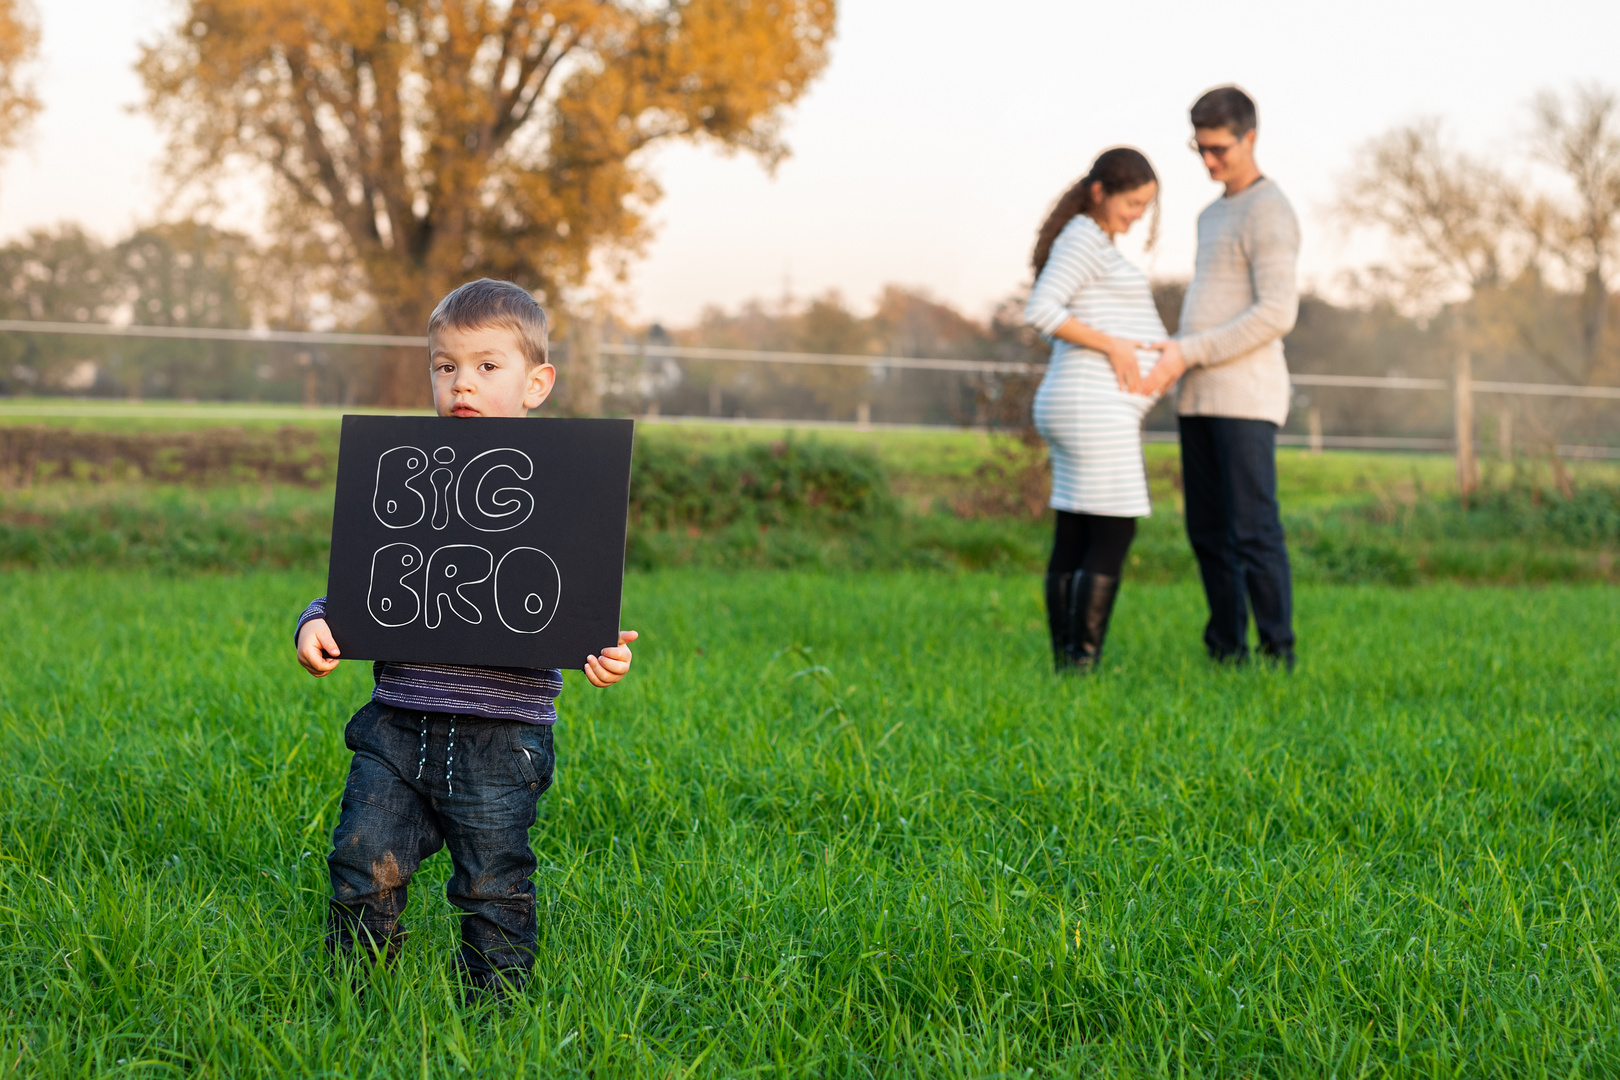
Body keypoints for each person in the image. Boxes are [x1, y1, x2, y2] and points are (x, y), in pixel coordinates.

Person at [293, 278, 638, 999]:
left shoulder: (560, 485)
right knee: (362, 861)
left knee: (493, 884)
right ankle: (356, 992)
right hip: (397, 725)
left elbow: (570, 603)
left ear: (536, 383)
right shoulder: (409, 471)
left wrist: (603, 651)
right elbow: (372, 570)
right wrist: (317, 621)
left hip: (501, 736)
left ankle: (496, 1007)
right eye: (445, 367)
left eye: (487, 366)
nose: (462, 386)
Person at [1141, 86, 1300, 668]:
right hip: (1198, 397)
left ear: (1249, 138)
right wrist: (1174, 357)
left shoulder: (1270, 210)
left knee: (1253, 530)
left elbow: (1278, 311)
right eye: (1199, 148)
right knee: (1207, 532)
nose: (1209, 161)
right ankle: (1226, 652)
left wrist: (1191, 349)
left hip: (1246, 399)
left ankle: (1277, 652)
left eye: (1219, 149)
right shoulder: (1211, 215)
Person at [1024, 147, 1167, 672]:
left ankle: (1068, 664)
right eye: (1131, 203)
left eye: (1145, 207)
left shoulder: (1090, 239)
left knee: (1078, 530)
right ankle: (1080, 664)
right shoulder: (1084, 238)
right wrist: (1114, 345)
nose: (1137, 216)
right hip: (1090, 404)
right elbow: (1041, 309)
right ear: (1100, 192)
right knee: (1113, 530)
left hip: (1082, 401)